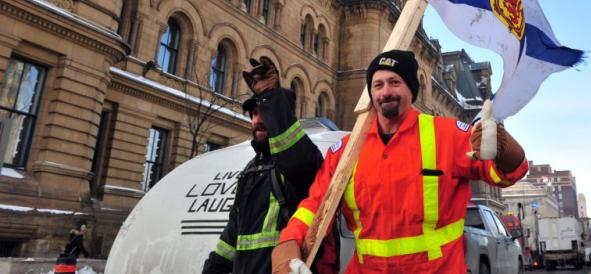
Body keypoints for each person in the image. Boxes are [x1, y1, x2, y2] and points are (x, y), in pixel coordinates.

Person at [272, 50, 528, 273]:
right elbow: (316, 204)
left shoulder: (447, 134)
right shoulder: (346, 151)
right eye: (378, 85)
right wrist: (289, 241)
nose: (386, 92)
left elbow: (507, 173)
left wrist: (504, 148)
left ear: (411, 89)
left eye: (394, 82)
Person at [202, 56, 337, 274]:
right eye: (254, 113)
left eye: (264, 112)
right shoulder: (250, 170)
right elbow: (232, 238)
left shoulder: (303, 160)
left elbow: (292, 155)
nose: (257, 120)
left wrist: (271, 98)